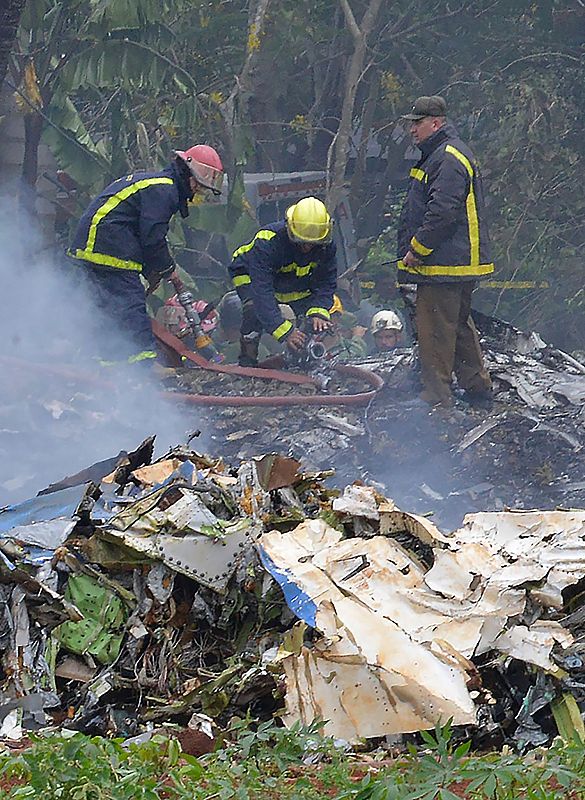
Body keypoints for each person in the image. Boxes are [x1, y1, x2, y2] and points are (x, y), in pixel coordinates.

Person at [68, 145, 223, 365]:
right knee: (131, 307)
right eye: (199, 185)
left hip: (95, 245)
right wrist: (169, 270)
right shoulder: (165, 189)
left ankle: (105, 368)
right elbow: (152, 238)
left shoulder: (157, 184)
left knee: (106, 312)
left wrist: (153, 272)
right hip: (108, 246)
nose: (198, 191)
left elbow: (142, 232)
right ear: (190, 175)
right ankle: (143, 370)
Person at [397, 95, 493, 407]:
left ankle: (437, 399)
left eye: (418, 123)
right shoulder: (440, 154)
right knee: (460, 326)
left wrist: (417, 249)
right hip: (455, 263)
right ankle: (477, 389)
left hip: (445, 263)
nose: (412, 130)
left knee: (434, 330)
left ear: (436, 123)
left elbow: (442, 212)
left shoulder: (447, 157)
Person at [228, 196, 337, 366]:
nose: (308, 248)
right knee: (253, 310)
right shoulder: (268, 242)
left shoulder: (326, 244)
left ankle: (301, 358)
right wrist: (285, 332)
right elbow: (262, 292)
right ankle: (247, 362)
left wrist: (318, 312)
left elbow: (326, 282)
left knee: (310, 317)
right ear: (290, 228)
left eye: (313, 244)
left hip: (292, 279)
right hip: (249, 273)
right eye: (302, 242)